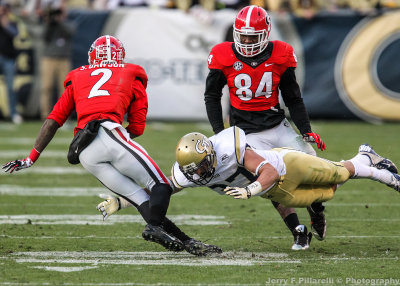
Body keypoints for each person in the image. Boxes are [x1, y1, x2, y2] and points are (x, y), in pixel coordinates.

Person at [2, 35, 222, 257]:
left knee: (142, 200)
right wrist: (123, 140)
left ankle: (187, 242)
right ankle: (154, 227)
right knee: (162, 186)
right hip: (108, 133)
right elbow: (137, 125)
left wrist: (31, 157)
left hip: (85, 151)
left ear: (92, 57)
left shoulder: (77, 76)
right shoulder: (130, 73)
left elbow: (53, 120)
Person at [96, 126, 400, 250]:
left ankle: (374, 166)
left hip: (286, 166)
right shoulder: (191, 172)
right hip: (279, 192)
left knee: (338, 176)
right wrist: (124, 202)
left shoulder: (230, 148)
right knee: (330, 192)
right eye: (193, 170)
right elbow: (162, 191)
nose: (198, 173)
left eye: (201, 166)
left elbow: (267, 171)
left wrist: (250, 191)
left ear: (211, 155)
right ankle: (362, 157)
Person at [204, 5, 326, 250]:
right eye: (243, 35)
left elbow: (293, 98)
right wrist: (221, 133)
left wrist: (305, 129)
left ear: (266, 33)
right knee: (270, 181)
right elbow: (212, 96)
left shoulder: (281, 54)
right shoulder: (222, 54)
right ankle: (298, 231)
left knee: (315, 169)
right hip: (246, 134)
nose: (247, 41)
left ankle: (317, 209)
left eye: (253, 36)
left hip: (276, 125)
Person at [40, 7, 73, 120]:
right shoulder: (49, 25)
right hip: (49, 59)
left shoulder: (68, 24)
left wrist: (59, 21)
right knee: (46, 87)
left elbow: (70, 33)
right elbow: (44, 36)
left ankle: (64, 116)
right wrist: (50, 21)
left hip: (63, 60)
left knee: (65, 90)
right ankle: (45, 115)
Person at [0, 0, 22, 124]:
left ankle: (13, 113)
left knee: (10, 88)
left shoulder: (12, 23)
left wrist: (5, 25)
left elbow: (15, 34)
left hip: (8, 58)